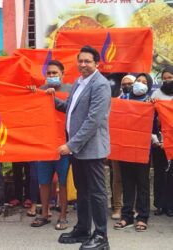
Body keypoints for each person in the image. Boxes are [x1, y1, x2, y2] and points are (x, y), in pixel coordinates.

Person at [55, 46, 111, 250]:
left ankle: (101, 237)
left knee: (97, 192)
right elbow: (68, 108)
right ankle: (83, 229)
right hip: (78, 150)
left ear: (97, 63)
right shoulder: (79, 82)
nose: (83, 65)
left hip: (92, 149)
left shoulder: (101, 85)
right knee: (83, 191)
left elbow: (93, 121)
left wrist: (70, 145)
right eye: (80, 61)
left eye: (87, 61)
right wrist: (48, 99)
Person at [30, 60, 71, 230]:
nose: (52, 76)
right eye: (49, 73)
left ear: (62, 73)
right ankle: (44, 214)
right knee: (44, 181)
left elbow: (73, 112)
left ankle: (62, 216)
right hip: (44, 144)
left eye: (55, 73)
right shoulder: (39, 90)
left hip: (64, 145)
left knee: (62, 182)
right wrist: (31, 95)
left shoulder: (71, 90)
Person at [114, 73, 153, 232]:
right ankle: (127, 216)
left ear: (148, 86)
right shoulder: (122, 100)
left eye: (144, 82)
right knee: (127, 183)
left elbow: (157, 126)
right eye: (138, 81)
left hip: (143, 148)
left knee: (142, 184)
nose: (140, 84)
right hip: (125, 147)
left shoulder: (151, 102)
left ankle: (143, 217)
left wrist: (155, 108)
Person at [111, 74, 136, 220]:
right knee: (117, 178)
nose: (126, 86)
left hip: (134, 144)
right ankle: (117, 207)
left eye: (129, 83)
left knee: (133, 178)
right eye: (124, 84)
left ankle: (132, 207)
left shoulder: (142, 101)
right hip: (118, 144)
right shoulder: (116, 101)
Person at [151, 66, 173, 217]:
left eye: (170, 78)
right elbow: (149, 119)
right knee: (159, 173)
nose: (166, 81)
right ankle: (159, 204)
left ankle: (170, 206)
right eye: (164, 78)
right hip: (158, 140)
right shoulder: (156, 94)